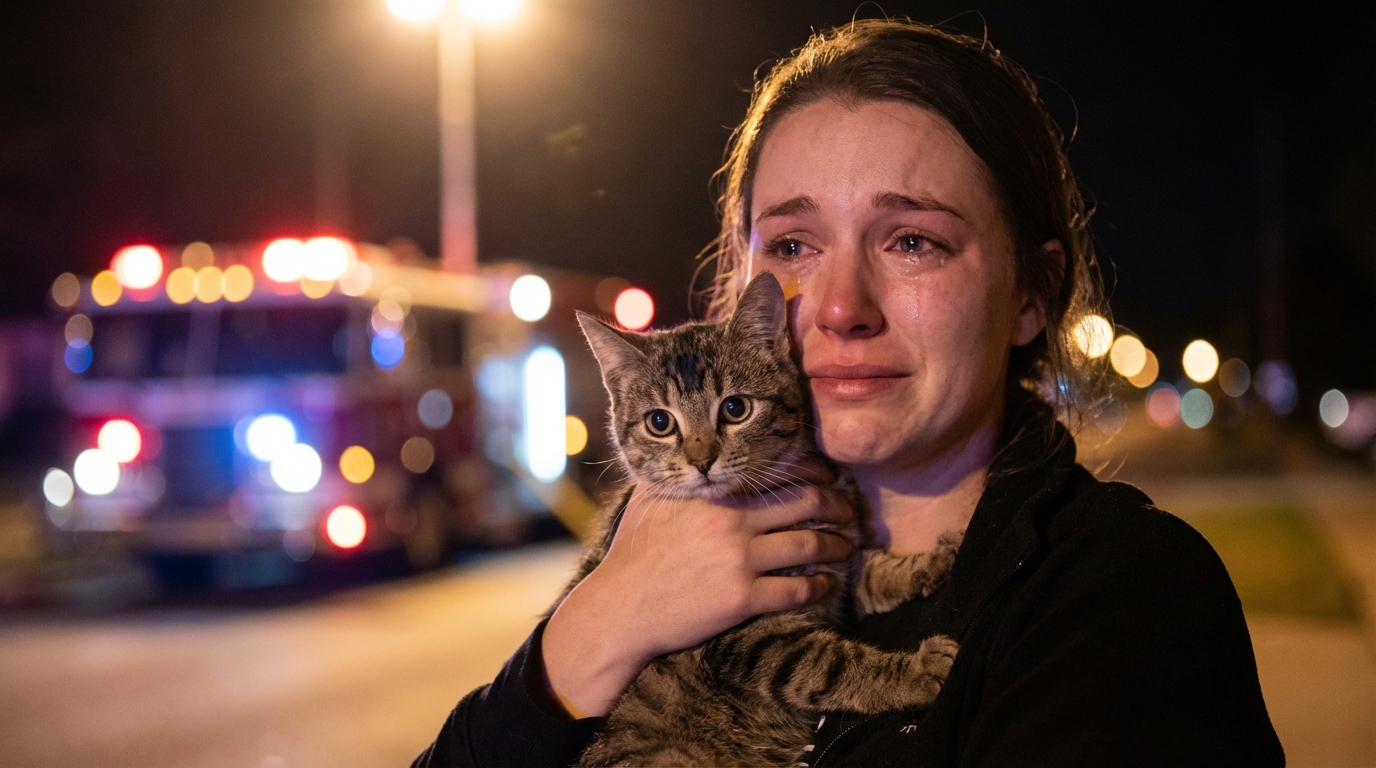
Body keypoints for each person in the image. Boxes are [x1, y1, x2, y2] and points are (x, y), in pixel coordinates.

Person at [416, 18, 1283, 767]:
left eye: (912, 241)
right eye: (793, 248)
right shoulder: (649, 570)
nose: (840, 308)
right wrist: (590, 632)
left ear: (1032, 293)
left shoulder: (1122, 602)